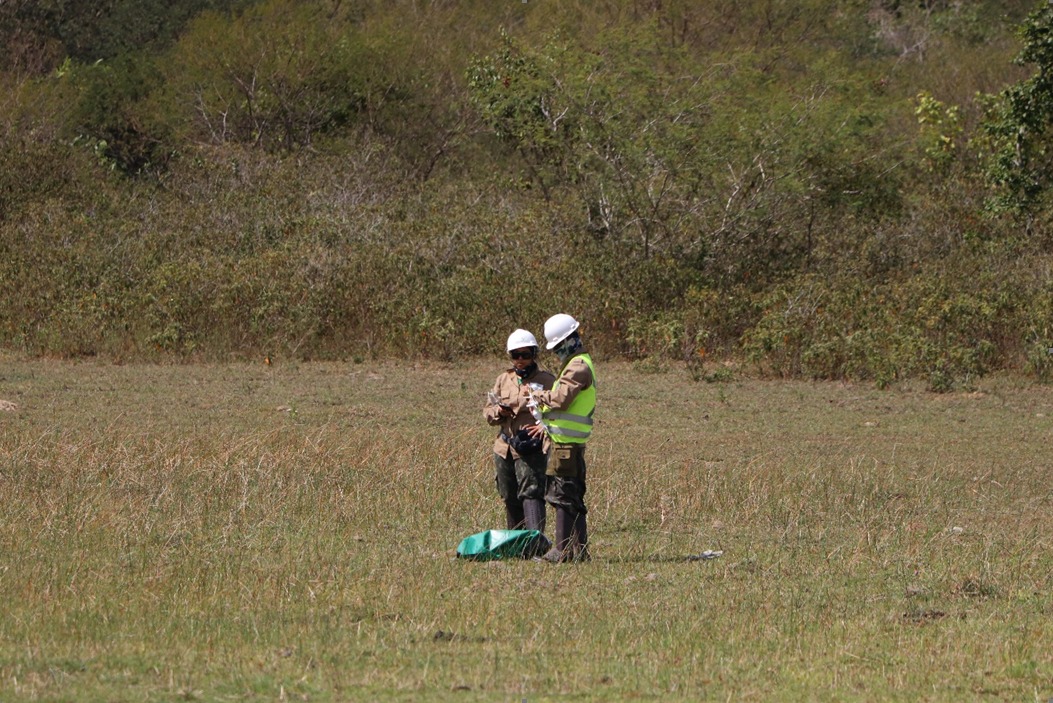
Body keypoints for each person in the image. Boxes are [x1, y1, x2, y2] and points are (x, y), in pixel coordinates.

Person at [522, 313, 595, 563]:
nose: (556, 352)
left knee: (562, 495)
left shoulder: (578, 366)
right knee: (571, 496)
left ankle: (562, 551)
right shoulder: (576, 363)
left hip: (567, 444)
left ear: (568, 340)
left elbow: (562, 400)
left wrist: (538, 396)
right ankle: (579, 551)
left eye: (557, 347)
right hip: (565, 441)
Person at [483, 329, 556, 535]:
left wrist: (544, 427)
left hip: (531, 445)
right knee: (509, 494)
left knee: (531, 492)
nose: (521, 360)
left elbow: (559, 410)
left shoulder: (547, 380)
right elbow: (487, 412)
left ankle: (535, 542)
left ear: (534, 354)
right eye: (516, 355)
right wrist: (499, 411)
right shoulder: (503, 379)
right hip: (504, 447)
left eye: (526, 354)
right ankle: (516, 542)